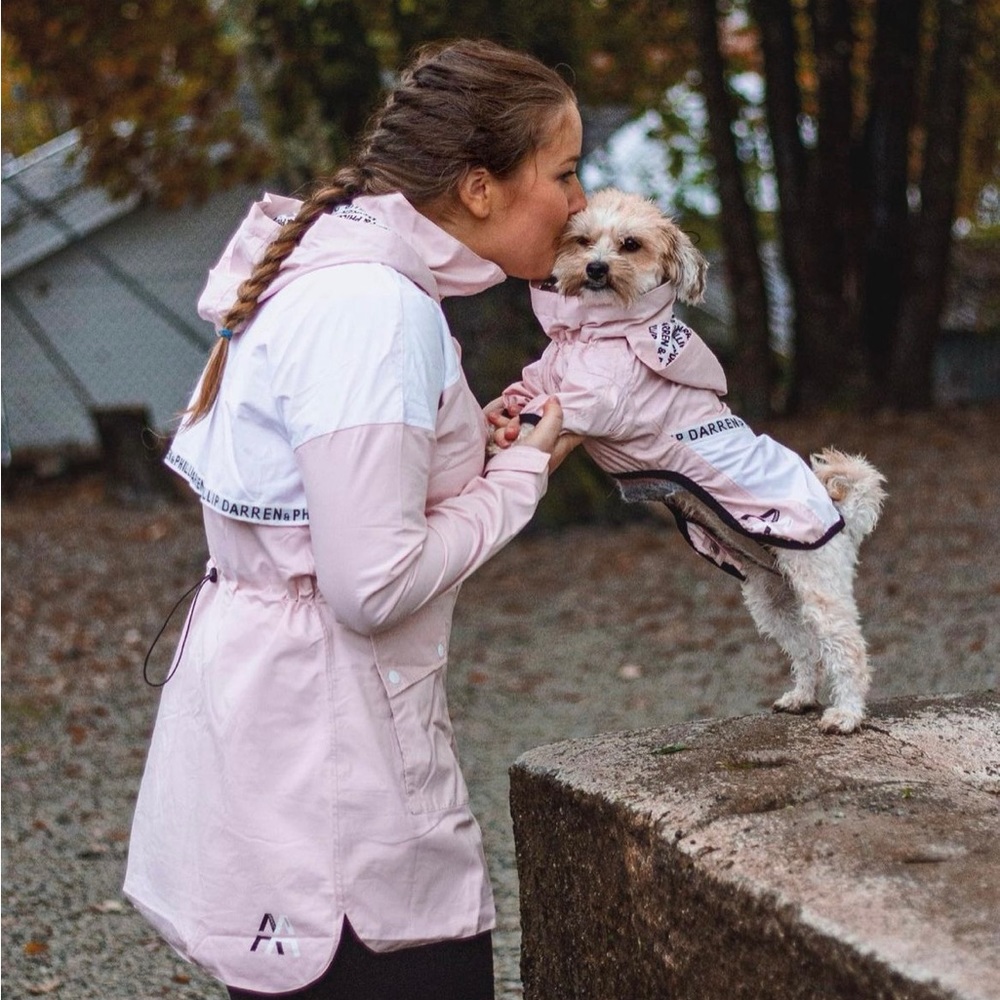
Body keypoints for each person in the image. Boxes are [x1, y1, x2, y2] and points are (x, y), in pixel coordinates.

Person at [124, 38, 586, 1000]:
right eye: (566, 171)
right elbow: (369, 584)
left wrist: (477, 451)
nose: (581, 203)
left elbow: (319, 501)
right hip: (336, 779)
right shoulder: (372, 310)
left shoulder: (339, 281)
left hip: (286, 734)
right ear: (479, 186)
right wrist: (522, 477)